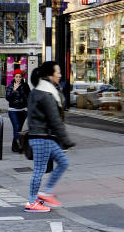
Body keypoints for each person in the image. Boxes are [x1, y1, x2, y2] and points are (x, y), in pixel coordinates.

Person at [24, 61, 75, 213]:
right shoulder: (45, 93)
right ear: (49, 75)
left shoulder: (46, 90)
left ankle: (45, 193)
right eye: (57, 72)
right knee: (39, 170)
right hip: (41, 136)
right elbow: (55, 120)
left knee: (63, 162)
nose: (60, 75)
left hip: (46, 137)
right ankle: (32, 201)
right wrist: (66, 141)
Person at [6, 71, 30, 153]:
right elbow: (8, 98)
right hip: (13, 111)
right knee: (17, 127)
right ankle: (20, 145)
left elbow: (28, 97)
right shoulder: (10, 86)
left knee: (19, 129)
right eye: (16, 77)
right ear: (14, 77)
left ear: (22, 77)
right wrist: (14, 90)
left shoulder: (25, 86)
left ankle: (14, 147)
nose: (18, 78)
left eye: (20, 77)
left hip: (23, 111)